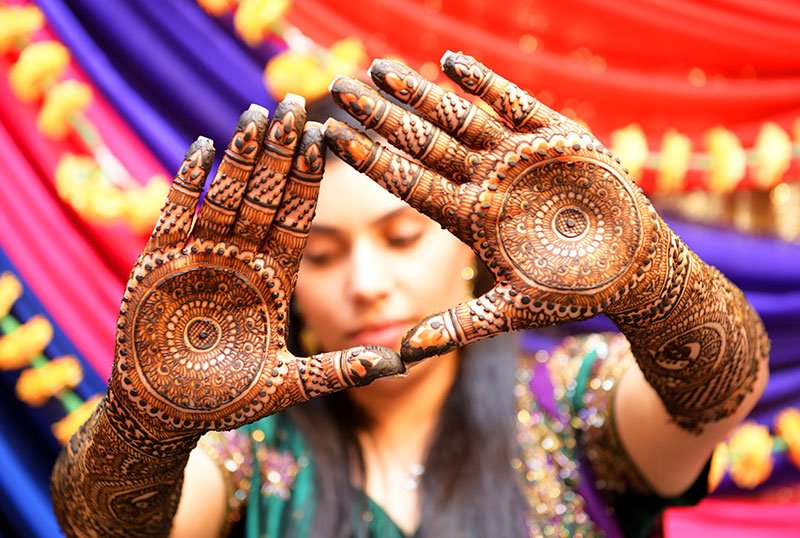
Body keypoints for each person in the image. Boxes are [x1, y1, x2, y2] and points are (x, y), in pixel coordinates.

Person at [50, 52, 770, 538]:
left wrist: (654, 279)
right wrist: (143, 431)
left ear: (469, 244)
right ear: (286, 287)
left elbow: (720, 393)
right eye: (322, 256)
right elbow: (101, 528)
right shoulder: (248, 460)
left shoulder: (569, 398)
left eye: (401, 239)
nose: (367, 284)